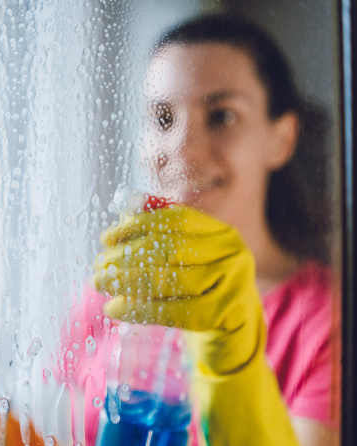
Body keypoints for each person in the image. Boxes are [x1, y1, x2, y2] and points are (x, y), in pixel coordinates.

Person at [85, 13, 339, 446]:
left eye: (221, 116)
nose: (182, 149)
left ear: (282, 137)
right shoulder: (113, 298)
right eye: (163, 118)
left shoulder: (330, 324)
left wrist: (232, 359)